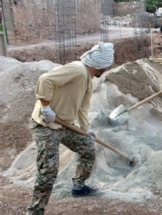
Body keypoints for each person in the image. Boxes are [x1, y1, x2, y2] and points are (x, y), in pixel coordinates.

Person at [27, 42, 115, 215]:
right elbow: (45, 80)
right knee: (48, 171)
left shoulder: (88, 80)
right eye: (104, 67)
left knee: (87, 149)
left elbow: (83, 108)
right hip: (46, 124)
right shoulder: (77, 70)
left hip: (64, 124)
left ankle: (79, 186)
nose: (105, 70)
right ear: (97, 65)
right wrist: (45, 107)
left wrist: (85, 129)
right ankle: (35, 211)